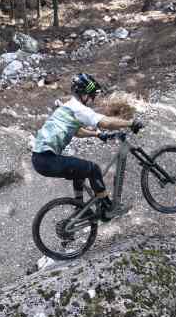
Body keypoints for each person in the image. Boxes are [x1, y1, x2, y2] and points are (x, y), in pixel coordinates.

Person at [31, 73, 140, 221]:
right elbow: (105, 122)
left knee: (80, 171)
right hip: (46, 159)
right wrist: (130, 123)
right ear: (84, 94)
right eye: (92, 95)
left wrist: (97, 135)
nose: (92, 99)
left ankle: (79, 207)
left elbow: (76, 131)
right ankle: (108, 208)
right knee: (93, 168)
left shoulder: (68, 106)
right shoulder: (79, 108)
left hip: (39, 159)